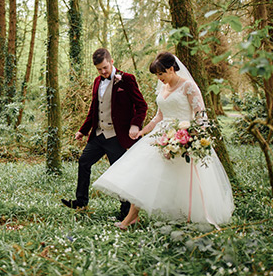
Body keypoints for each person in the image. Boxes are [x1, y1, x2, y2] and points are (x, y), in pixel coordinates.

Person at [92, 52, 234, 229]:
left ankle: (190, 216)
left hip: (184, 136)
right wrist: (142, 131)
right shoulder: (164, 87)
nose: (159, 78)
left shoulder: (189, 86)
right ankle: (129, 219)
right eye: (157, 75)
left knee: (186, 181)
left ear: (172, 69)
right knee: (144, 175)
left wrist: (196, 138)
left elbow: (200, 115)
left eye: (161, 74)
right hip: (161, 137)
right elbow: (159, 116)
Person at [61, 48, 148, 219]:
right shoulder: (96, 82)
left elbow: (142, 106)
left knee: (120, 173)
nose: (103, 72)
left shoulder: (127, 79)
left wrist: (135, 125)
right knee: (84, 162)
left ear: (111, 61)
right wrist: (83, 130)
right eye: (99, 69)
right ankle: (81, 202)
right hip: (99, 135)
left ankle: (125, 212)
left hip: (117, 137)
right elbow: (94, 109)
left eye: (105, 68)